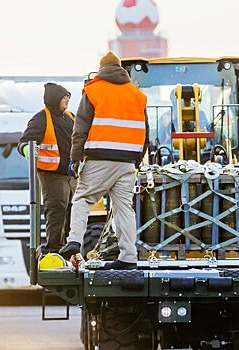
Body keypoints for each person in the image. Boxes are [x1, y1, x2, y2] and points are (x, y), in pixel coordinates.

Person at [59, 50, 149, 270]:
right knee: (124, 209)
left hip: (100, 158)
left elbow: (80, 129)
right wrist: (136, 161)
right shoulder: (137, 95)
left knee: (82, 199)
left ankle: (74, 242)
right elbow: (146, 132)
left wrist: (75, 159)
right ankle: (128, 257)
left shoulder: (93, 90)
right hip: (127, 161)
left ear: (101, 70)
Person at [17, 83, 77, 254]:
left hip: (71, 175)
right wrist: (26, 148)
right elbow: (23, 141)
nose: (66, 100)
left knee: (72, 213)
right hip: (52, 175)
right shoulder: (40, 119)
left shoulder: (70, 117)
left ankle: (67, 249)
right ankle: (54, 250)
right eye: (64, 97)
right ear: (54, 99)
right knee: (57, 211)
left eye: (67, 96)